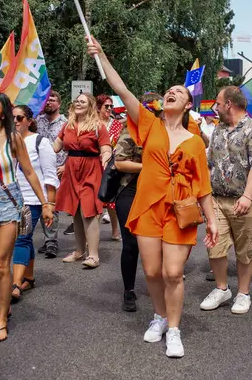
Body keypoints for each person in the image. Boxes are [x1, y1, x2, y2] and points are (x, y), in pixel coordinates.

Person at [87, 37, 218, 359]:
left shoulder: (196, 142)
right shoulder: (149, 125)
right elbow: (123, 91)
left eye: (179, 91)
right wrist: (101, 55)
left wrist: (213, 221)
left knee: (173, 272)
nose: (171, 92)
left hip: (180, 210)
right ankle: (159, 316)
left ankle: (174, 328)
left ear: (188, 104)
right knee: (152, 271)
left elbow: (202, 186)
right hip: (147, 207)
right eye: (168, 90)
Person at [0, 93, 53, 342]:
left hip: (7, 203)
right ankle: (5, 305)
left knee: (2, 263)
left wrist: (45, 203)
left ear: (3, 113)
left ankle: (2, 316)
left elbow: (31, 173)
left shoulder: (13, 139)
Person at [200, 87, 252, 315]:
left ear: (229, 104)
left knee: (244, 250)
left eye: (218, 103)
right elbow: (211, 164)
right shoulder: (218, 130)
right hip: (217, 200)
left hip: (245, 201)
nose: (215, 108)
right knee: (215, 246)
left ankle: (243, 293)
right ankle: (222, 289)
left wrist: (247, 196)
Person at [115, 93, 163, 312]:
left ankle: (161, 282)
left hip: (158, 192)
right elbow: (120, 163)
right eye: (149, 111)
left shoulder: (166, 131)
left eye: (156, 111)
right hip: (131, 190)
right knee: (131, 242)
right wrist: (150, 167)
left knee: (161, 241)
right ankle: (129, 290)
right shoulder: (130, 131)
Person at [54, 94, 112, 269]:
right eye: (77, 101)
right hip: (71, 170)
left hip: (91, 169)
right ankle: (79, 251)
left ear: (90, 106)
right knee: (76, 212)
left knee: (89, 211)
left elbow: (106, 148)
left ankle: (93, 255)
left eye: (82, 102)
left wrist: (106, 157)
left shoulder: (98, 126)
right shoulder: (67, 125)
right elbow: (55, 148)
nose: (78, 104)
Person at [11, 106, 59, 302]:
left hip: (32, 199)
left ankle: (15, 284)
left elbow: (50, 174)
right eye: (11, 117)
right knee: (25, 237)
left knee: (21, 238)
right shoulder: (5, 141)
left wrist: (49, 204)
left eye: (19, 117)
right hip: (9, 198)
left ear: (29, 120)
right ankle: (29, 278)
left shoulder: (40, 141)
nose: (15, 121)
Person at [36, 91, 69, 254]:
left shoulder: (66, 123)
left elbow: (73, 147)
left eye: (53, 99)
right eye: (47, 99)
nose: (49, 102)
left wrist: (66, 166)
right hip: (37, 169)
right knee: (42, 204)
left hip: (58, 169)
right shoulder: (36, 120)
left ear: (59, 104)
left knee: (52, 204)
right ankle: (48, 237)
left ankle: (51, 241)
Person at [96, 94, 122, 240]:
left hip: (111, 163)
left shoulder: (116, 124)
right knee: (96, 200)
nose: (110, 109)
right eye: (107, 106)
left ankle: (115, 229)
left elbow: (120, 142)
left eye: (111, 106)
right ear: (99, 107)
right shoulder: (93, 123)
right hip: (94, 164)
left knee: (111, 199)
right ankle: (93, 233)